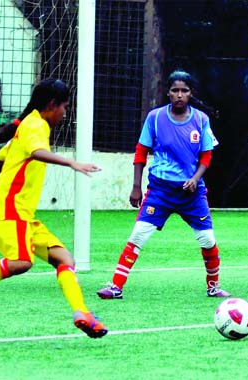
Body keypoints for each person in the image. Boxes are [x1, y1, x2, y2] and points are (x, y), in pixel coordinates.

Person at [0, 78, 107, 338]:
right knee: (21, 262)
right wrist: (72, 163)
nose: (65, 113)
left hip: (23, 214)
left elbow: (1, 160)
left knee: (65, 259)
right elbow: (37, 153)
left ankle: (82, 313)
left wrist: (10, 177)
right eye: (64, 107)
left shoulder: (28, 124)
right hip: (11, 210)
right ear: (52, 105)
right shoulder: (36, 125)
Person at [96, 70, 229, 300]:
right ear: (168, 92)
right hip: (160, 191)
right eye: (175, 90)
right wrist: (136, 186)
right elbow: (141, 152)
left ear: (191, 93)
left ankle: (213, 286)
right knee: (138, 235)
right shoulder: (155, 118)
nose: (179, 95)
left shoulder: (201, 119)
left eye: (184, 91)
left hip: (192, 193)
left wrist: (195, 179)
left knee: (207, 239)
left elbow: (206, 156)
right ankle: (116, 287)